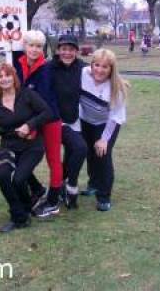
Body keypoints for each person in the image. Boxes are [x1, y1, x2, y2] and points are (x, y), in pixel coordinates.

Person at [0, 63, 52, 233]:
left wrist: (29, 125)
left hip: (32, 145)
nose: (4, 79)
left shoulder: (27, 95)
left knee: (18, 179)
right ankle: (19, 215)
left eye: (7, 75)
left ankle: (25, 207)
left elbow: (47, 113)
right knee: (2, 175)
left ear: (13, 76)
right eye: (0, 76)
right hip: (8, 146)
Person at [12, 30, 63, 218]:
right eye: (31, 45)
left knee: (53, 159)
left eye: (39, 46)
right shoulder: (17, 63)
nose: (34, 50)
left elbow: (46, 103)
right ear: (24, 46)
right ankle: (37, 189)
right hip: (28, 119)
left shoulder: (47, 69)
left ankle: (53, 200)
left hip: (49, 119)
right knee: (19, 154)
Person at [79, 49, 130, 211]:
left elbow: (115, 117)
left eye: (105, 67)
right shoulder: (83, 74)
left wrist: (104, 139)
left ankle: (104, 196)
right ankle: (93, 183)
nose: (99, 70)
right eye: (96, 65)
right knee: (88, 152)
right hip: (86, 120)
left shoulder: (117, 88)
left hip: (106, 124)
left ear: (111, 69)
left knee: (102, 154)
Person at [48, 35, 88, 209]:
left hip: (76, 118)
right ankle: (71, 186)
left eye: (71, 49)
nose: (67, 53)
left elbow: (104, 75)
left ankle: (62, 185)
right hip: (57, 120)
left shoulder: (83, 68)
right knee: (80, 148)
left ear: (76, 51)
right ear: (58, 50)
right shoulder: (49, 68)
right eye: (64, 49)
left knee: (73, 153)